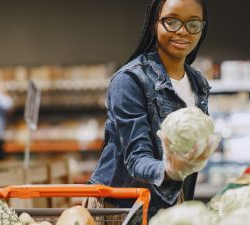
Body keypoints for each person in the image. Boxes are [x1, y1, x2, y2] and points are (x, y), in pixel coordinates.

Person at [86, 0, 215, 221]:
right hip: (121, 209)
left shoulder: (198, 82)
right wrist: (171, 169)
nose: (182, 31)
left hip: (170, 205)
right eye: (172, 21)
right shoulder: (130, 80)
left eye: (193, 24)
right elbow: (136, 159)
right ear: (154, 23)